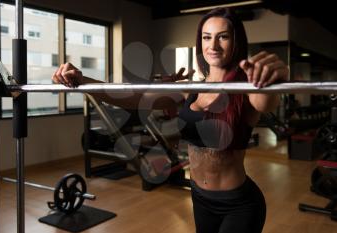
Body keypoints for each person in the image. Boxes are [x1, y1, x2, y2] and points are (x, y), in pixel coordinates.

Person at [52, 7, 288, 233]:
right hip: (200, 198)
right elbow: (132, 97)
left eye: (223, 37)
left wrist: (275, 77)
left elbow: (266, 102)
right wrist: (83, 81)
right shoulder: (189, 89)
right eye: (207, 38)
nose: (213, 45)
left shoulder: (245, 89)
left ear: (236, 41)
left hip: (239, 205)